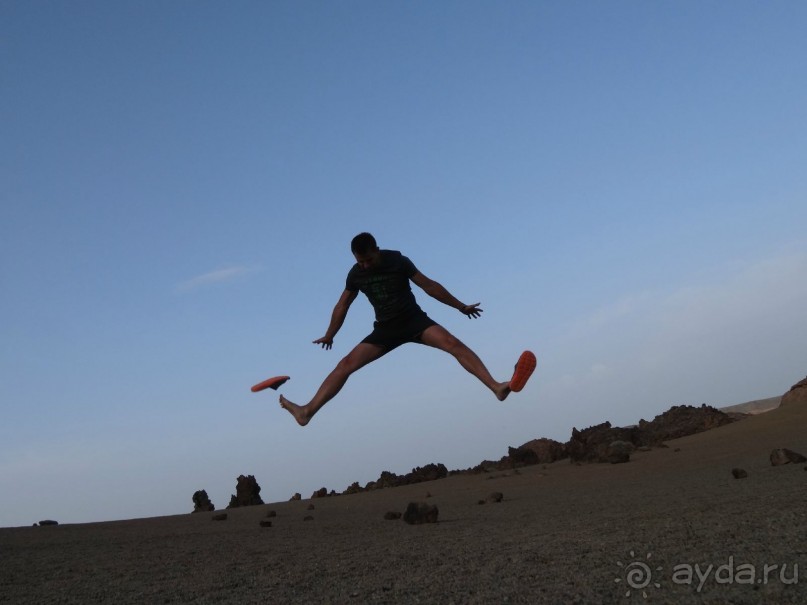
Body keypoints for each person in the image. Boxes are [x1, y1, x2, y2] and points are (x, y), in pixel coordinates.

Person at [279, 232, 534, 426]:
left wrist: (460, 306)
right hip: (385, 330)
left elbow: (429, 286)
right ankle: (306, 412)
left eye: (368, 260)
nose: (364, 266)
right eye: (360, 262)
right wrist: (330, 334)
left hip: (413, 321)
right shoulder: (356, 274)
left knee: (453, 344)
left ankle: (496, 387)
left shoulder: (397, 260)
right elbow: (342, 304)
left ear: (376, 250)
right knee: (345, 365)